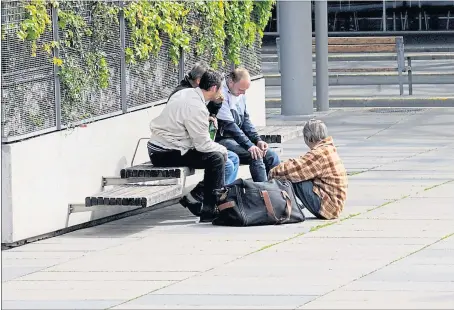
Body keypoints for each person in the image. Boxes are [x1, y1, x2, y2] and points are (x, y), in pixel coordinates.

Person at [147, 70, 227, 222]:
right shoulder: (196, 107)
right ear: (214, 88)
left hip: (160, 147)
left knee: (215, 157)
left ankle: (203, 202)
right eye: (221, 88)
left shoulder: (186, 93)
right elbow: (202, 145)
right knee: (216, 158)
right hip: (165, 152)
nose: (222, 92)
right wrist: (223, 150)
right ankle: (210, 210)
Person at [268, 119, 348, 220]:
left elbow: (294, 169)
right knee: (295, 172)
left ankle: (275, 206)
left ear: (308, 138)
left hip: (327, 207)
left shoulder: (319, 154)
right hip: (334, 205)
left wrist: (272, 172)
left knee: (292, 175)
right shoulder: (328, 149)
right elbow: (301, 163)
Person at [216, 68, 280, 182]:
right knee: (255, 154)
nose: (243, 93)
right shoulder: (220, 95)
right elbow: (230, 126)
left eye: (245, 90)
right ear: (231, 82)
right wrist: (250, 145)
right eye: (241, 89)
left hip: (237, 137)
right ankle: (263, 192)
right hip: (223, 138)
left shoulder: (239, 93)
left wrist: (257, 140)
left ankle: (278, 190)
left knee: (271, 156)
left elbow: (245, 119)